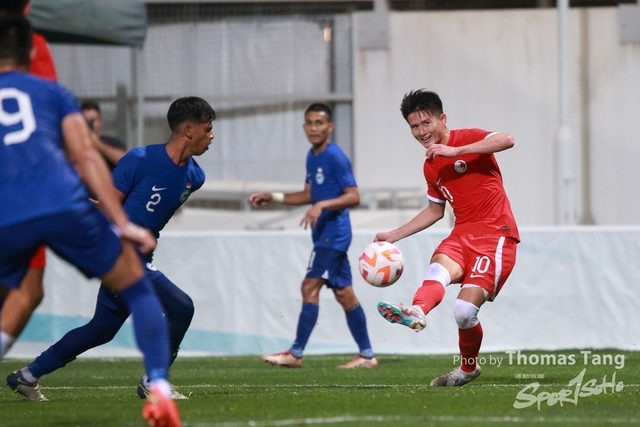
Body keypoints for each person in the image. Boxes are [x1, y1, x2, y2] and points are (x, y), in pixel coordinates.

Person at [0, 17, 181, 427]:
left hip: (8, 212)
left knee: (17, 297)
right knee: (137, 287)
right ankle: (159, 387)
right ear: (32, 51)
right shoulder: (53, 93)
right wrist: (121, 222)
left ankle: (28, 373)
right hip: (62, 204)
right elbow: (85, 156)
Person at [9, 96, 215, 402]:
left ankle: (27, 376)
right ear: (188, 130)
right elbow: (109, 203)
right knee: (181, 306)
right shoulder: (141, 159)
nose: (212, 136)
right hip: (121, 256)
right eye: (207, 129)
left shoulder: (195, 177)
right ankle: (154, 381)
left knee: (100, 330)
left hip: (142, 257)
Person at [375, 89, 519, 387]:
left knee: (464, 312)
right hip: (461, 233)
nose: (421, 132)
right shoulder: (430, 165)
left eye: (426, 123)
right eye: (414, 127)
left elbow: (507, 140)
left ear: (442, 119)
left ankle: (468, 369)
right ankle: (416, 310)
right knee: (437, 270)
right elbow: (434, 211)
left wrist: (456, 151)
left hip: (496, 235)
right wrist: (393, 235)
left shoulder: (467, 138)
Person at [248, 103, 377, 369]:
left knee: (309, 287)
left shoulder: (335, 157)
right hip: (325, 235)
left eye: (319, 123)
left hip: (334, 235)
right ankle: (367, 355)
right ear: (304, 127)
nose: (314, 128)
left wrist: (322, 205)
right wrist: (274, 197)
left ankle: (295, 353)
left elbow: (354, 196)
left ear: (330, 126)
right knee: (344, 294)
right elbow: (308, 194)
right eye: (309, 123)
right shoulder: (312, 155)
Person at [0, 0, 56, 361]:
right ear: (28, 6)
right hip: (20, 187)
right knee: (28, 289)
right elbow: (45, 113)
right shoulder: (32, 44)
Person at [80, 99, 127, 170]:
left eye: (92, 121)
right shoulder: (75, 144)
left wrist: (98, 144)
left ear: (99, 122)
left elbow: (126, 161)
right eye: (85, 121)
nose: (89, 125)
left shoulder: (112, 143)